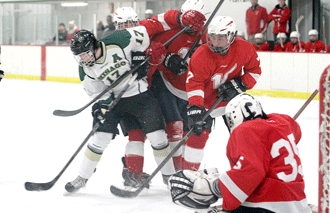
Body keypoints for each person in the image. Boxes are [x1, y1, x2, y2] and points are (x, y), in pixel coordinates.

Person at [64, 5, 206, 193]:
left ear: (94, 46)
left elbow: (156, 23)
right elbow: (98, 94)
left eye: (85, 53)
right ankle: (82, 178)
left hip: (141, 97)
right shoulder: (85, 68)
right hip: (115, 102)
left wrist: (179, 19)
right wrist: (100, 107)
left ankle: (170, 177)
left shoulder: (122, 39)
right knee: (99, 138)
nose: (83, 59)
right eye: (79, 56)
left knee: (158, 136)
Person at [168, 93, 312, 213]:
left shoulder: (246, 130)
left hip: (267, 205)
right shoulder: (283, 123)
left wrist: (216, 187)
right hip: (297, 202)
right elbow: (296, 133)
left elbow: (251, 170)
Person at [117, 4, 206, 184]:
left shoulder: (143, 31)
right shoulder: (113, 47)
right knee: (137, 133)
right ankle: (132, 171)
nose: (129, 28)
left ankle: (172, 172)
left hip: (151, 92)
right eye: (124, 25)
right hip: (128, 95)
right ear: (117, 26)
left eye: (132, 23)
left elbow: (161, 20)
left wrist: (158, 59)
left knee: (168, 130)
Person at [183, 16, 261, 171]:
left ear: (231, 36)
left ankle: (247, 172)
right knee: (197, 136)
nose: (216, 42)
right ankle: (188, 175)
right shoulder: (200, 55)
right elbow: (195, 83)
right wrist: (196, 108)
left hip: (233, 101)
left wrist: (240, 84)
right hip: (207, 102)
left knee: (243, 137)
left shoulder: (244, 48)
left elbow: (255, 71)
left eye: (220, 38)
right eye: (213, 37)